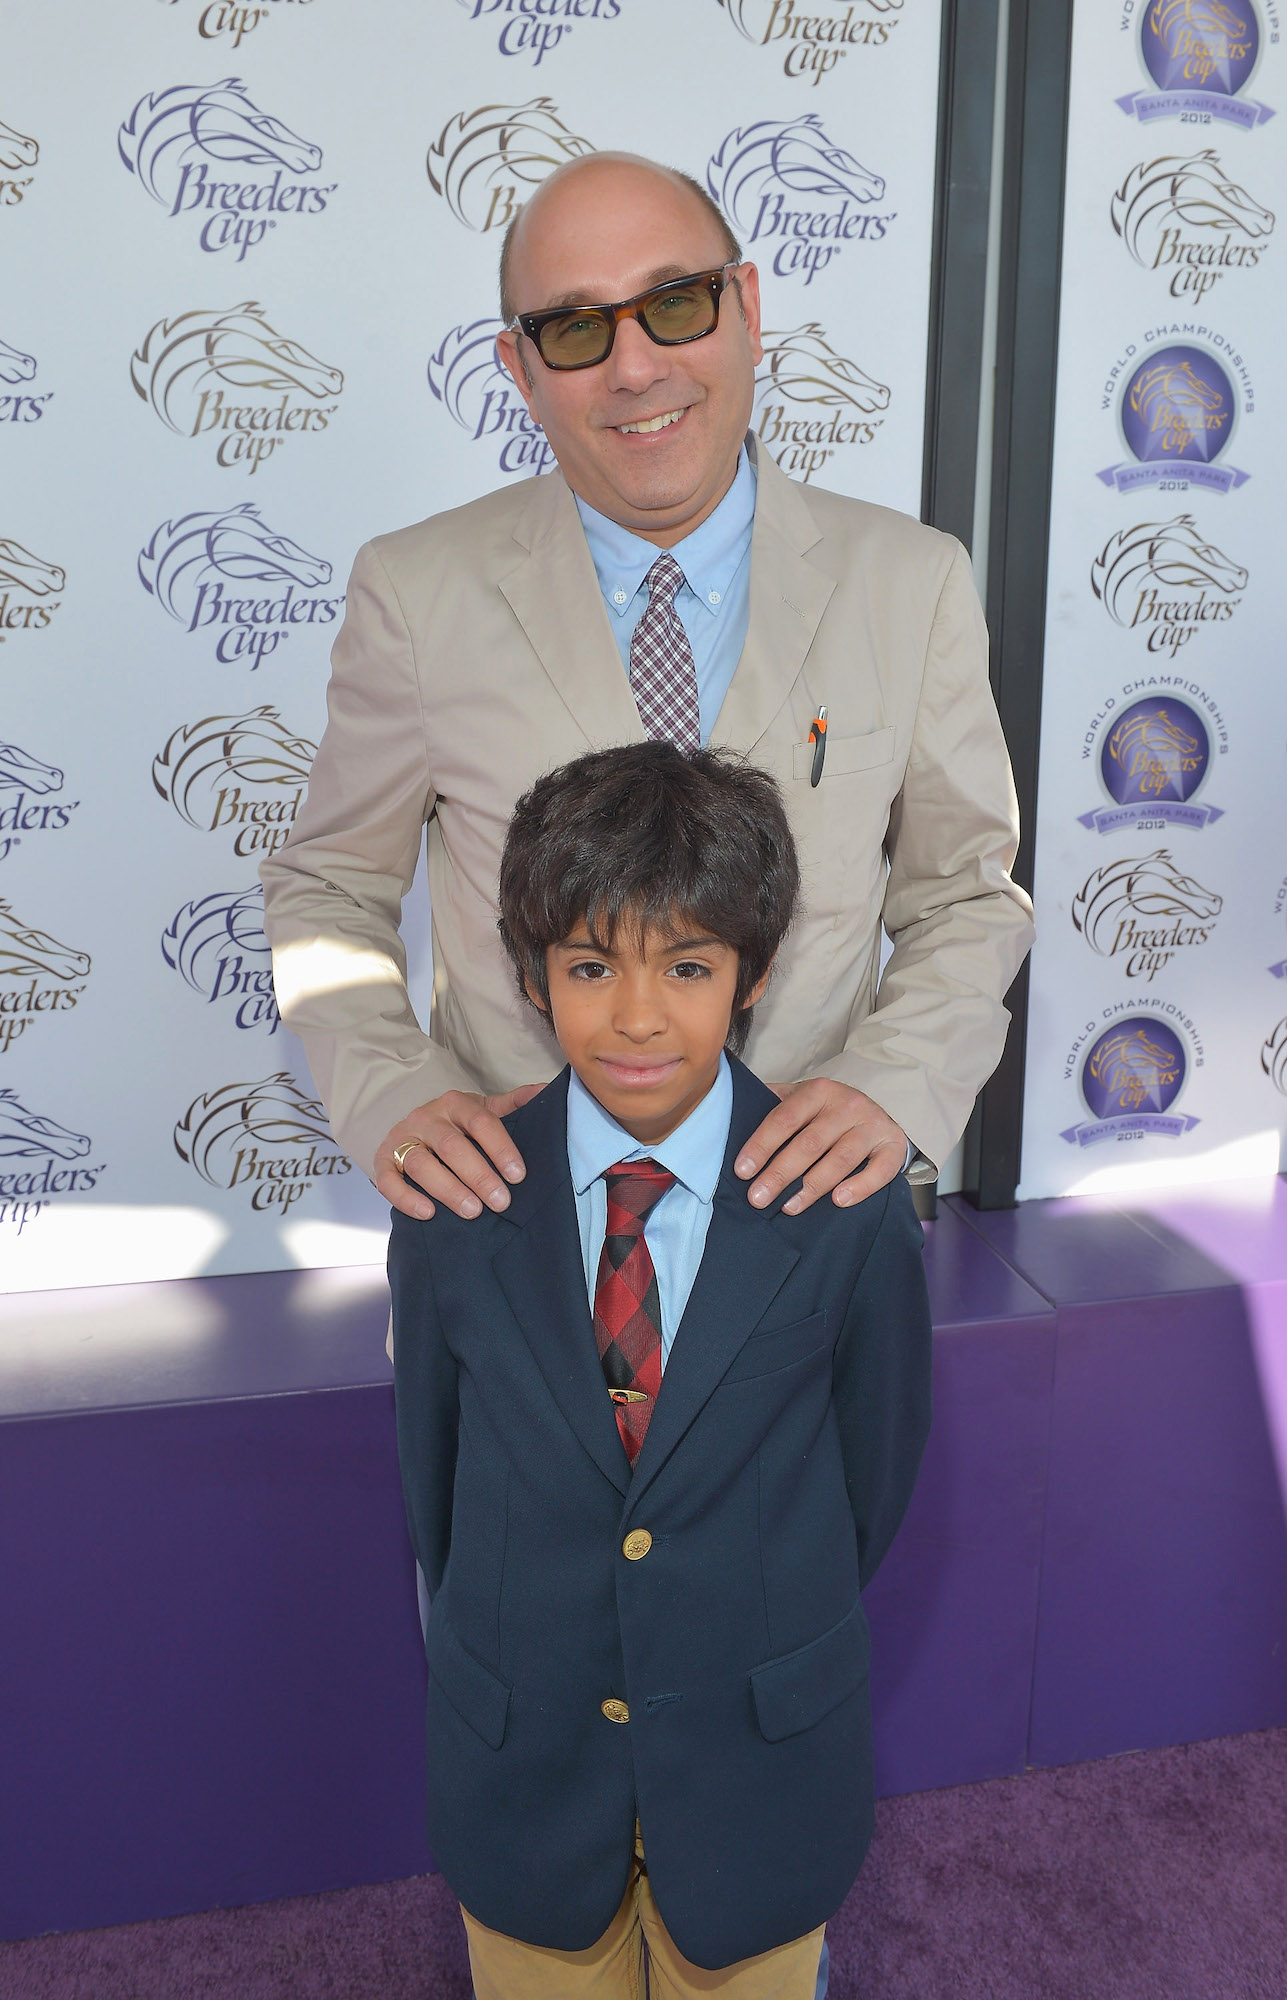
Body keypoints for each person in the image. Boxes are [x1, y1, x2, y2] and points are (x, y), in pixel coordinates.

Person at [260, 150, 1033, 1240]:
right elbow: (330, 886)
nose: (633, 367)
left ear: (747, 308)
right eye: (576, 329)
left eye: (675, 304)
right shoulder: (416, 592)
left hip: (811, 1232)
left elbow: (963, 897)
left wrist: (894, 1086)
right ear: (520, 368)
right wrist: (393, 1091)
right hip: (513, 1231)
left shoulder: (912, 583)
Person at [390, 742, 932, 1999]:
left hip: (762, 1770)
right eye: (592, 966)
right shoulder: (454, 1198)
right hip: (522, 1765)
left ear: (753, 973)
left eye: (687, 965)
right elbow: (435, 1480)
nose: (638, 1016)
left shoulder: (845, 1204)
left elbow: (871, 1475)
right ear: (532, 973)